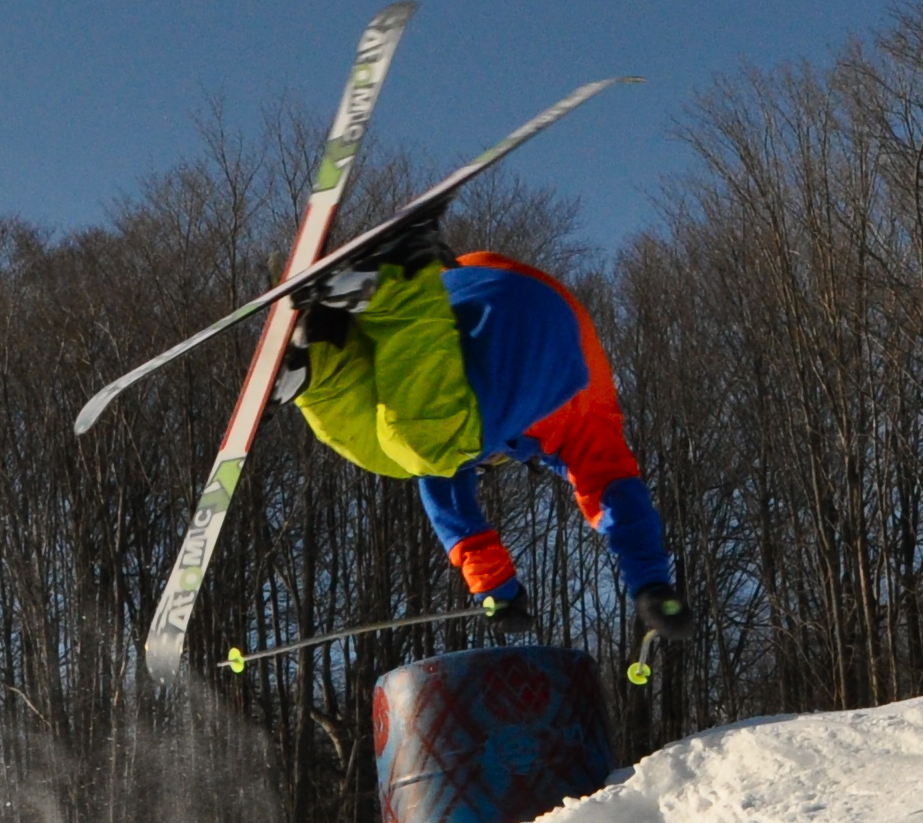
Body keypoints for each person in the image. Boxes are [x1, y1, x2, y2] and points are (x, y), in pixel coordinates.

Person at [283, 219, 694, 644]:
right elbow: (620, 501)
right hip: (538, 324)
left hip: (458, 291)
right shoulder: (582, 423)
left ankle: (320, 361)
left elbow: (450, 500)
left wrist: (497, 588)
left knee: (391, 449)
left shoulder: (479, 412)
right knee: (432, 444)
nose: (479, 463)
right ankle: (397, 281)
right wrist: (650, 585)